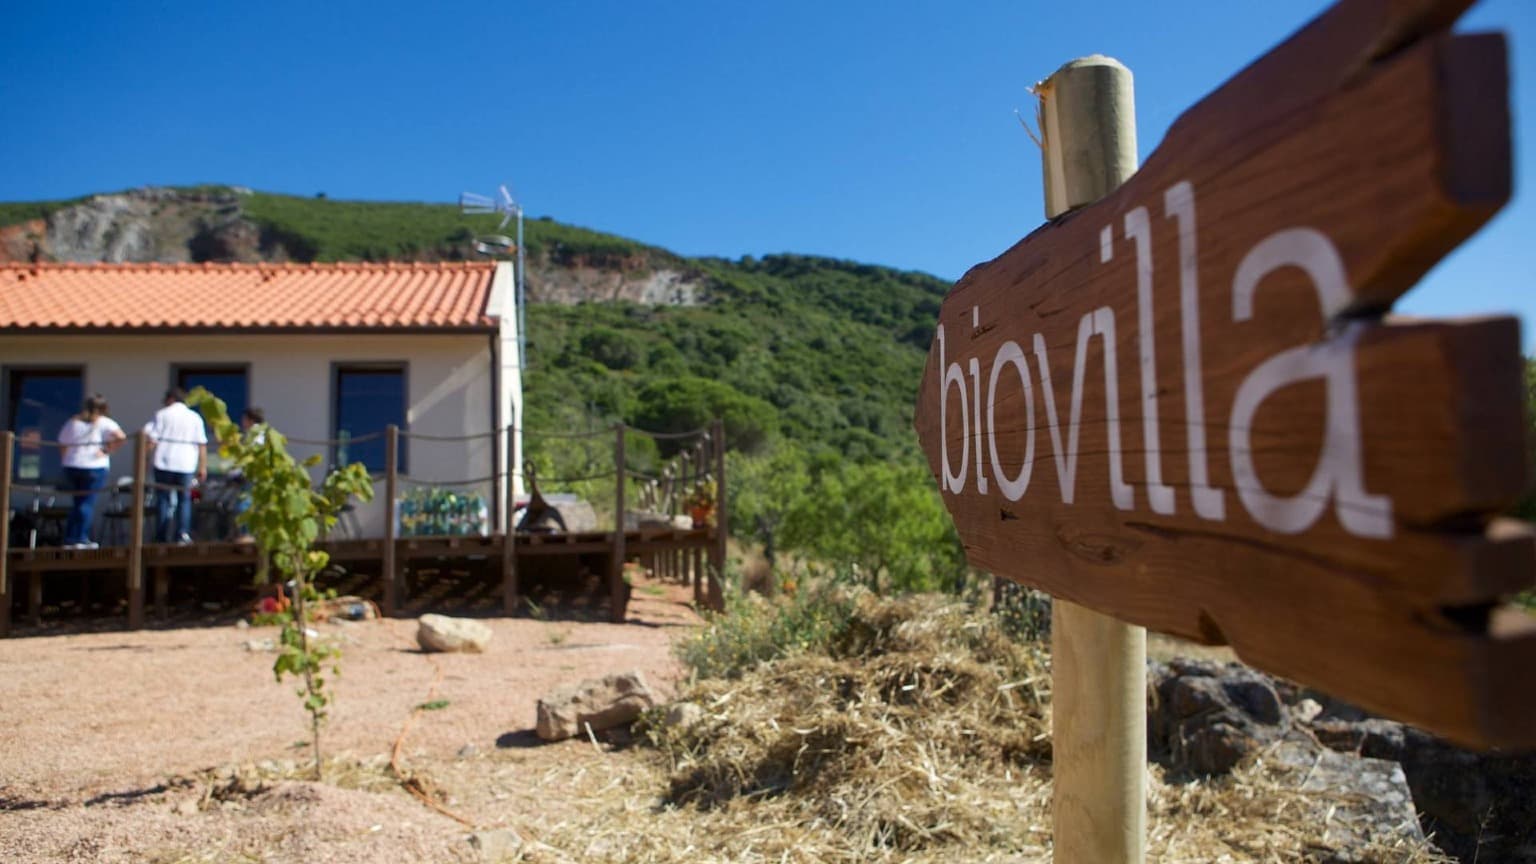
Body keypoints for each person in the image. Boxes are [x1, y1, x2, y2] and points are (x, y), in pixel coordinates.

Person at [56, 394, 126, 549]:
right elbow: (121, 437)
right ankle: (80, 538)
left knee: (78, 503)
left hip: (72, 465)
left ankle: (71, 538)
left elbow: (62, 443)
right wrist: (107, 450)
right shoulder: (104, 422)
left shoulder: (73, 422)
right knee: (86, 503)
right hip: (94, 466)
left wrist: (66, 461)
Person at [145, 388, 207, 544]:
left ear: (170, 399)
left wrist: (144, 461)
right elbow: (201, 444)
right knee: (184, 500)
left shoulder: (161, 415)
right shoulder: (194, 417)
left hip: (163, 462)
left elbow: (151, 440)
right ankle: (182, 534)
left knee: (163, 500)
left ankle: (161, 537)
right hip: (185, 464)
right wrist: (202, 466)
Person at [232, 407, 264, 542]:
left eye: (244, 419)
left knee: (245, 503)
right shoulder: (262, 434)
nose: (242, 422)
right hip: (256, 473)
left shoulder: (254, 435)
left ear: (250, 420)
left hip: (252, 474)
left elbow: (250, 456)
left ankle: (247, 534)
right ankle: (249, 533)